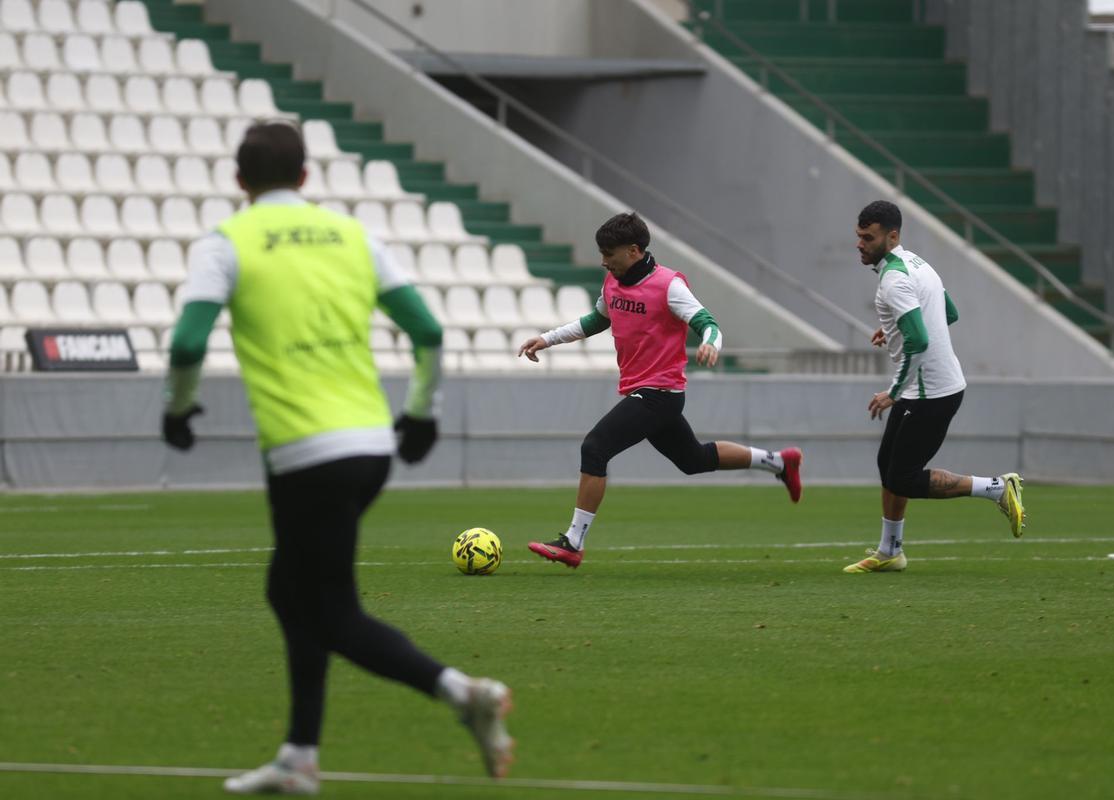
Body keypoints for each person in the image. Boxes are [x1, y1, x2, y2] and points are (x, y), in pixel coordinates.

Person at [161, 122, 514, 795]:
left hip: (305, 453)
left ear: (239, 180)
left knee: (330, 611)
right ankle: (299, 756)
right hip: (371, 444)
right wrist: (423, 411)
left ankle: (464, 693)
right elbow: (429, 330)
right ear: (304, 177)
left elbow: (186, 344)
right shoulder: (354, 236)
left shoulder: (225, 242)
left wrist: (177, 409)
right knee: (291, 591)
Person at [518, 212, 803, 569]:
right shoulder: (613, 282)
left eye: (609, 253)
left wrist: (710, 343)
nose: (604, 261)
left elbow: (707, 322)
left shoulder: (668, 285)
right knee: (694, 460)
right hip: (644, 392)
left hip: (660, 393)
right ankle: (779, 462)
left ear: (634, 250)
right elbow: (596, 320)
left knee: (595, 447)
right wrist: (547, 339)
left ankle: (573, 543)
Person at [846, 200, 1026, 574]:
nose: (860, 244)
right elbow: (949, 313)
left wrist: (893, 391)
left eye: (868, 238)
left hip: (930, 394)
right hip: (927, 389)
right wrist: (894, 327)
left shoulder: (894, 279)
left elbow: (918, 340)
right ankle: (890, 551)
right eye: (859, 236)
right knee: (888, 467)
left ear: (892, 236)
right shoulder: (917, 264)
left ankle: (996, 487)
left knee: (903, 478)